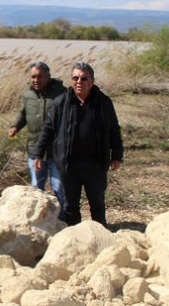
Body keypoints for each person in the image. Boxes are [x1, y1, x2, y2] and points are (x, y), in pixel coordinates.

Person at [33, 62, 123, 227]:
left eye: (84, 78)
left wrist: (117, 155)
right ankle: (75, 238)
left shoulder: (103, 102)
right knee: (70, 206)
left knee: (97, 204)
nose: (79, 81)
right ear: (71, 80)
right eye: (75, 78)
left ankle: (101, 235)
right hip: (69, 164)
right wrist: (39, 154)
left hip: (95, 164)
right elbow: (48, 128)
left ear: (92, 81)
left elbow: (114, 129)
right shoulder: (61, 102)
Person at [9, 61, 67, 220]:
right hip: (34, 150)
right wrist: (16, 126)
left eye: (40, 76)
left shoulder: (62, 94)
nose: (36, 80)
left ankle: (63, 219)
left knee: (59, 186)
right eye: (33, 76)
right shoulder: (28, 95)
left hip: (56, 151)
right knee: (36, 187)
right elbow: (23, 114)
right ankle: (39, 220)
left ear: (48, 76)